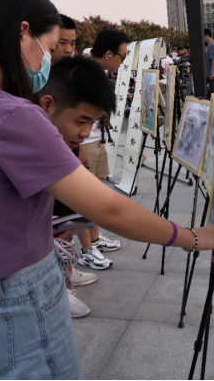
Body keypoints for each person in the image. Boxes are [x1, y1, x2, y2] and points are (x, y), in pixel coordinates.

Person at [0, 0, 214, 380]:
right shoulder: (10, 113)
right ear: (23, 33)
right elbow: (110, 209)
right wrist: (192, 238)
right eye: (49, 48)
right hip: (20, 305)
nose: (49, 61)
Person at [41, 56, 116, 318]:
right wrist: (187, 238)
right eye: (81, 121)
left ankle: (64, 276)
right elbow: (114, 211)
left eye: (92, 123)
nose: (86, 132)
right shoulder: (32, 145)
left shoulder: (59, 141)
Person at [77, 28, 131, 270]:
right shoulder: (83, 72)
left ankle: (95, 238)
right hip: (84, 143)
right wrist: (78, 147)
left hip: (97, 139)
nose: (122, 62)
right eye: (122, 56)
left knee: (96, 192)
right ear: (109, 54)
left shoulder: (99, 72)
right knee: (83, 198)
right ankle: (86, 249)